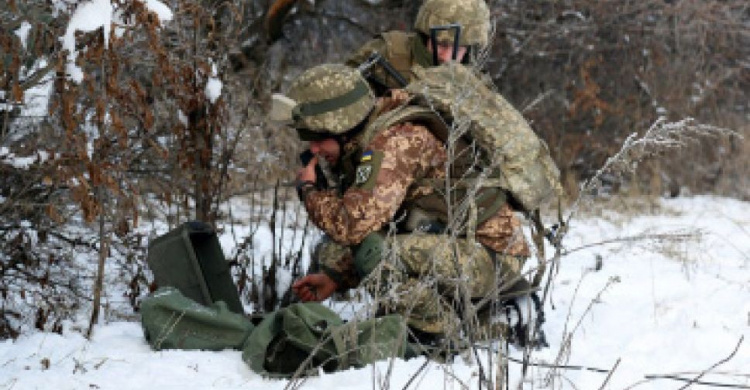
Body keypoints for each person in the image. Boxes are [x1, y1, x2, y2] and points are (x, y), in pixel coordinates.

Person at [270, 63, 541, 347]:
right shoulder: (377, 136)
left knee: (378, 256)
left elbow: (350, 225)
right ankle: (472, 312)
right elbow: (380, 225)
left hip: (492, 255)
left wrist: (310, 191)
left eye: (316, 137)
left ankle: (437, 334)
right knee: (362, 250)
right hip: (461, 245)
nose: (313, 149)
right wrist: (336, 277)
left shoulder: (396, 142)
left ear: (341, 124)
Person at [346, 0, 491, 95]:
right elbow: (340, 92)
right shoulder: (389, 51)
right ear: (425, 36)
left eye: (458, 49)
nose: (446, 57)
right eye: (442, 45)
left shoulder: (474, 85)